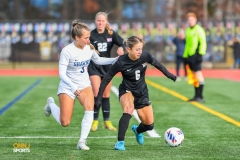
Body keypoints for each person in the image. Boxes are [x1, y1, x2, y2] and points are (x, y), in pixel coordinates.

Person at [43, 20, 118, 150]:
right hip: (68, 86)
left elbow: (98, 60)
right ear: (76, 38)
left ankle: (82, 142)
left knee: (90, 108)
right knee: (65, 122)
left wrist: (114, 60)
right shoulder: (67, 51)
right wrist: (73, 87)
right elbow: (62, 74)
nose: (89, 40)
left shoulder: (89, 47)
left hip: (84, 85)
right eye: (86, 38)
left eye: (89, 37)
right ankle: (50, 104)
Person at [94, 36, 176, 150]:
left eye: (141, 49)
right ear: (128, 49)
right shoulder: (121, 61)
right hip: (127, 90)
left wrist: (170, 75)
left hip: (142, 91)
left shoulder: (145, 56)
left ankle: (137, 131)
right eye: (137, 49)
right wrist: (98, 98)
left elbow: (158, 64)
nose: (140, 52)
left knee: (149, 125)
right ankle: (120, 142)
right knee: (128, 110)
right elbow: (106, 79)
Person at [88, 12, 125, 132]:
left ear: (106, 22)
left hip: (107, 67)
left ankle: (107, 121)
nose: (100, 23)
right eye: (98, 20)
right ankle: (94, 120)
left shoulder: (110, 34)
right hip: (94, 67)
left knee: (106, 95)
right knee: (96, 92)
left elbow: (123, 43)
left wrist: (121, 48)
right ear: (95, 21)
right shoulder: (90, 35)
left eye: (103, 21)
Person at [183, 12, 207, 102]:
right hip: (189, 56)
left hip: (196, 55)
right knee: (193, 76)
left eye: (191, 19)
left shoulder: (199, 30)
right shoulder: (188, 30)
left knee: (198, 74)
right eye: (188, 20)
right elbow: (187, 44)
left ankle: (200, 96)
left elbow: (203, 42)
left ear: (195, 20)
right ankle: (196, 95)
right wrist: (185, 56)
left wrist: (200, 54)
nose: (190, 21)